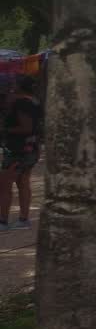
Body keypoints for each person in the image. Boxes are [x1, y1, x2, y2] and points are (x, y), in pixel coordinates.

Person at [1, 76, 43, 231]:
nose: (12, 86)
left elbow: (26, 127)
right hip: (30, 147)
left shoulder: (21, 103)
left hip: (17, 149)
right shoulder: (34, 101)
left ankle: (3, 221)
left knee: (5, 185)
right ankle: (23, 219)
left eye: (14, 84)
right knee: (23, 182)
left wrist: (5, 130)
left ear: (21, 86)